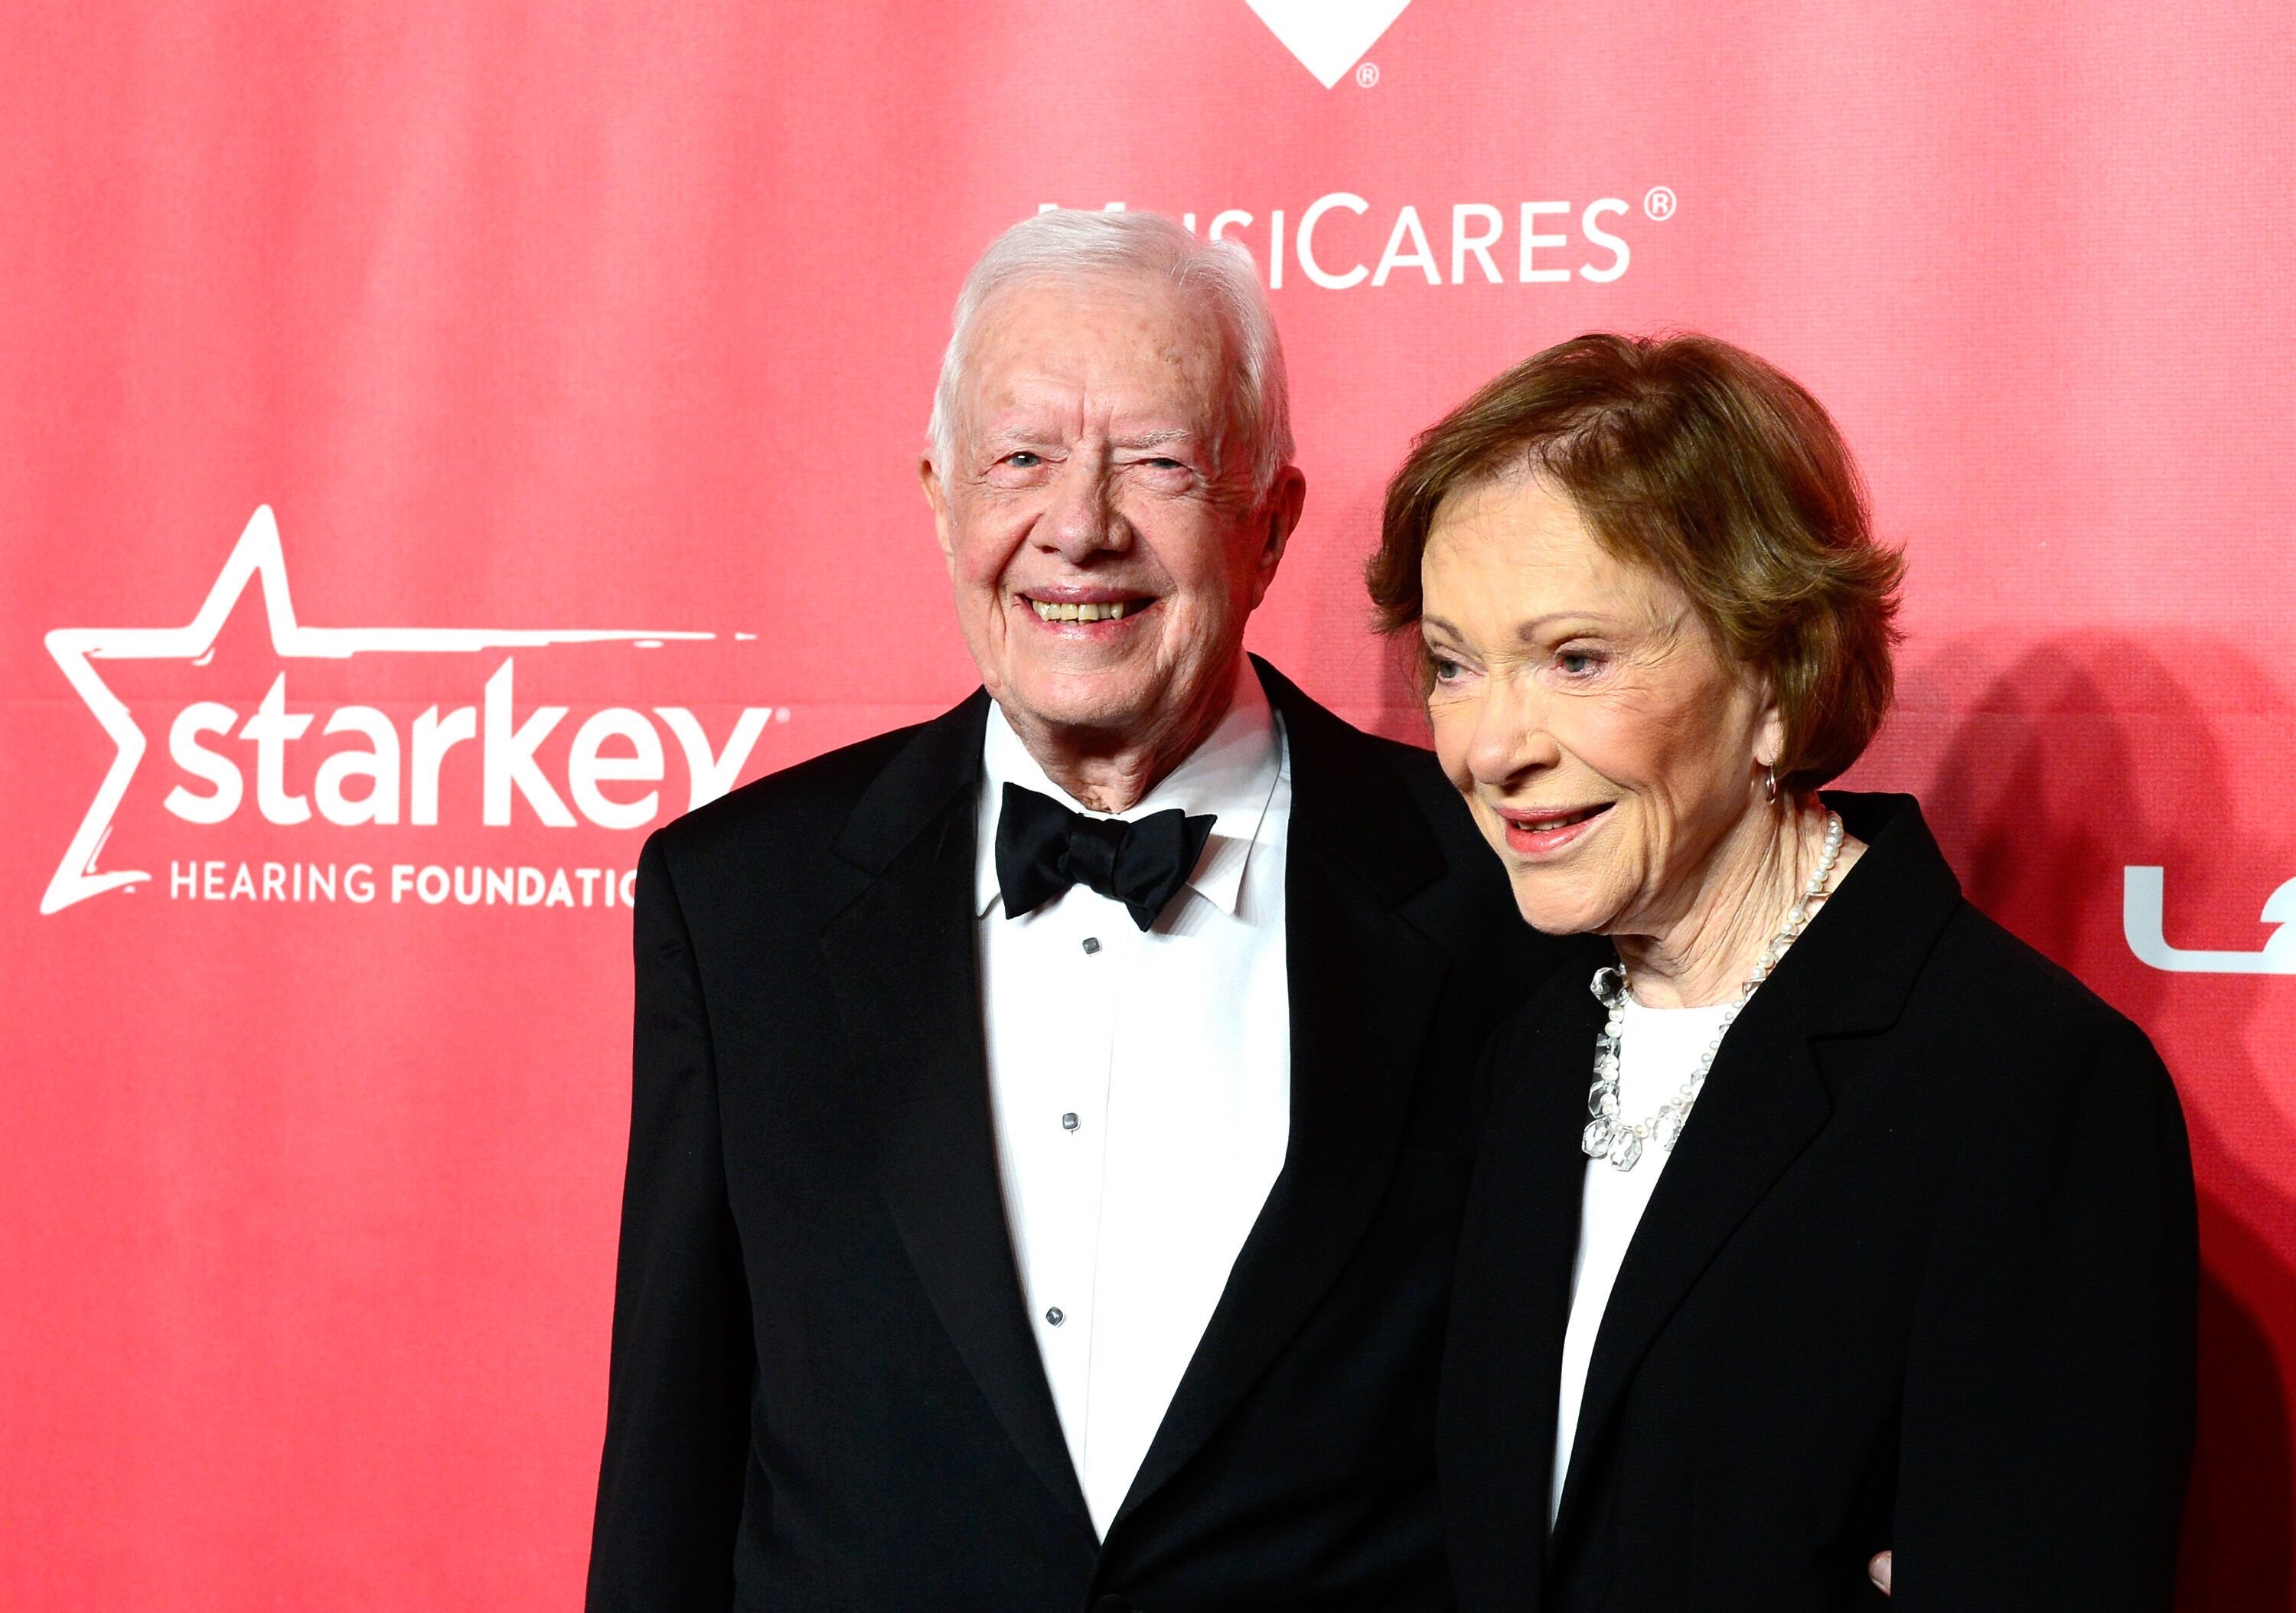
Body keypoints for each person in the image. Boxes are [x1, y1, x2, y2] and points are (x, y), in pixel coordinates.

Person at [584, 210, 1568, 1611]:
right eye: (1021, 459)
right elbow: (673, 1465)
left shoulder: (1498, 889)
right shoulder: (737, 898)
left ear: (1273, 524)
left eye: (1158, 463)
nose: (1081, 528)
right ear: (940, 498)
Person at [1366, 333, 2198, 1611]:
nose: (1489, 747)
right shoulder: (1529, 1058)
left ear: (1775, 674)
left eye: (1575, 659)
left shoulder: (2022, 1084)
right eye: (1454, 665)